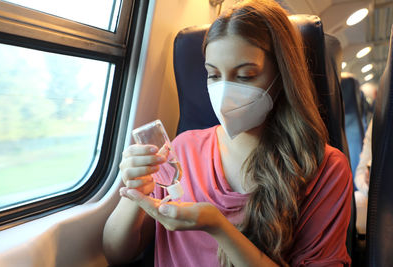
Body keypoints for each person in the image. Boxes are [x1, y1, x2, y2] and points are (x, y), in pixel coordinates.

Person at [103, 1, 353, 266]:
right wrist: (135, 190)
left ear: (282, 77)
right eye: (213, 75)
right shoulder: (182, 149)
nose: (224, 92)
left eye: (245, 76)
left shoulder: (325, 168)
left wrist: (219, 228)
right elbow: (117, 254)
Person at [354, 119, 373, 235]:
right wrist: (368, 185)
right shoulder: (380, 120)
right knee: (356, 200)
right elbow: (360, 173)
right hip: (382, 199)